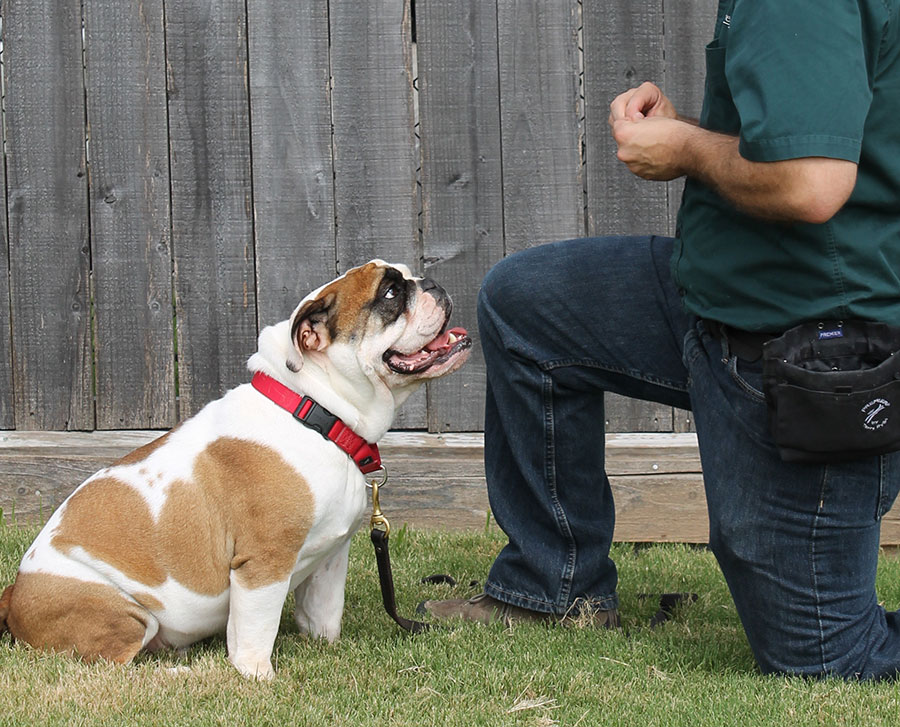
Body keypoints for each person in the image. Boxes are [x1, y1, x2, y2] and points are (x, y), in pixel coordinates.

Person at [421, 0, 900, 679]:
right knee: (526, 306)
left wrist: (684, 149)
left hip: (811, 351)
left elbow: (812, 182)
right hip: (717, 298)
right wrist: (692, 131)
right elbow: (807, 127)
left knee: (828, 657)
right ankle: (554, 586)